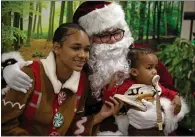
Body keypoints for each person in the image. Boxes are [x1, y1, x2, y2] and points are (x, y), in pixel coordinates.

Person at [1, 1, 181, 135]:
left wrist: (162, 114)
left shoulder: (143, 57)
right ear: (91, 38)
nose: (112, 40)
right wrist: (6, 69)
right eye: (103, 35)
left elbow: (171, 93)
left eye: (117, 33)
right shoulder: (80, 67)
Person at [1, 23, 123, 136]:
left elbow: (73, 123)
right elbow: (5, 125)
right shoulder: (30, 74)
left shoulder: (82, 82)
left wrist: (99, 116)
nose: (83, 55)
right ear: (56, 48)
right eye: (76, 48)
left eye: (87, 50)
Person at [104, 47, 189, 135]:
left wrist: (176, 97)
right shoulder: (127, 87)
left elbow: (167, 92)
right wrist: (112, 82)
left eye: (155, 67)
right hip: (139, 130)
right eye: (149, 67)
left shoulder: (155, 85)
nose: (155, 71)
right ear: (134, 72)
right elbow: (110, 100)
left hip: (159, 129)